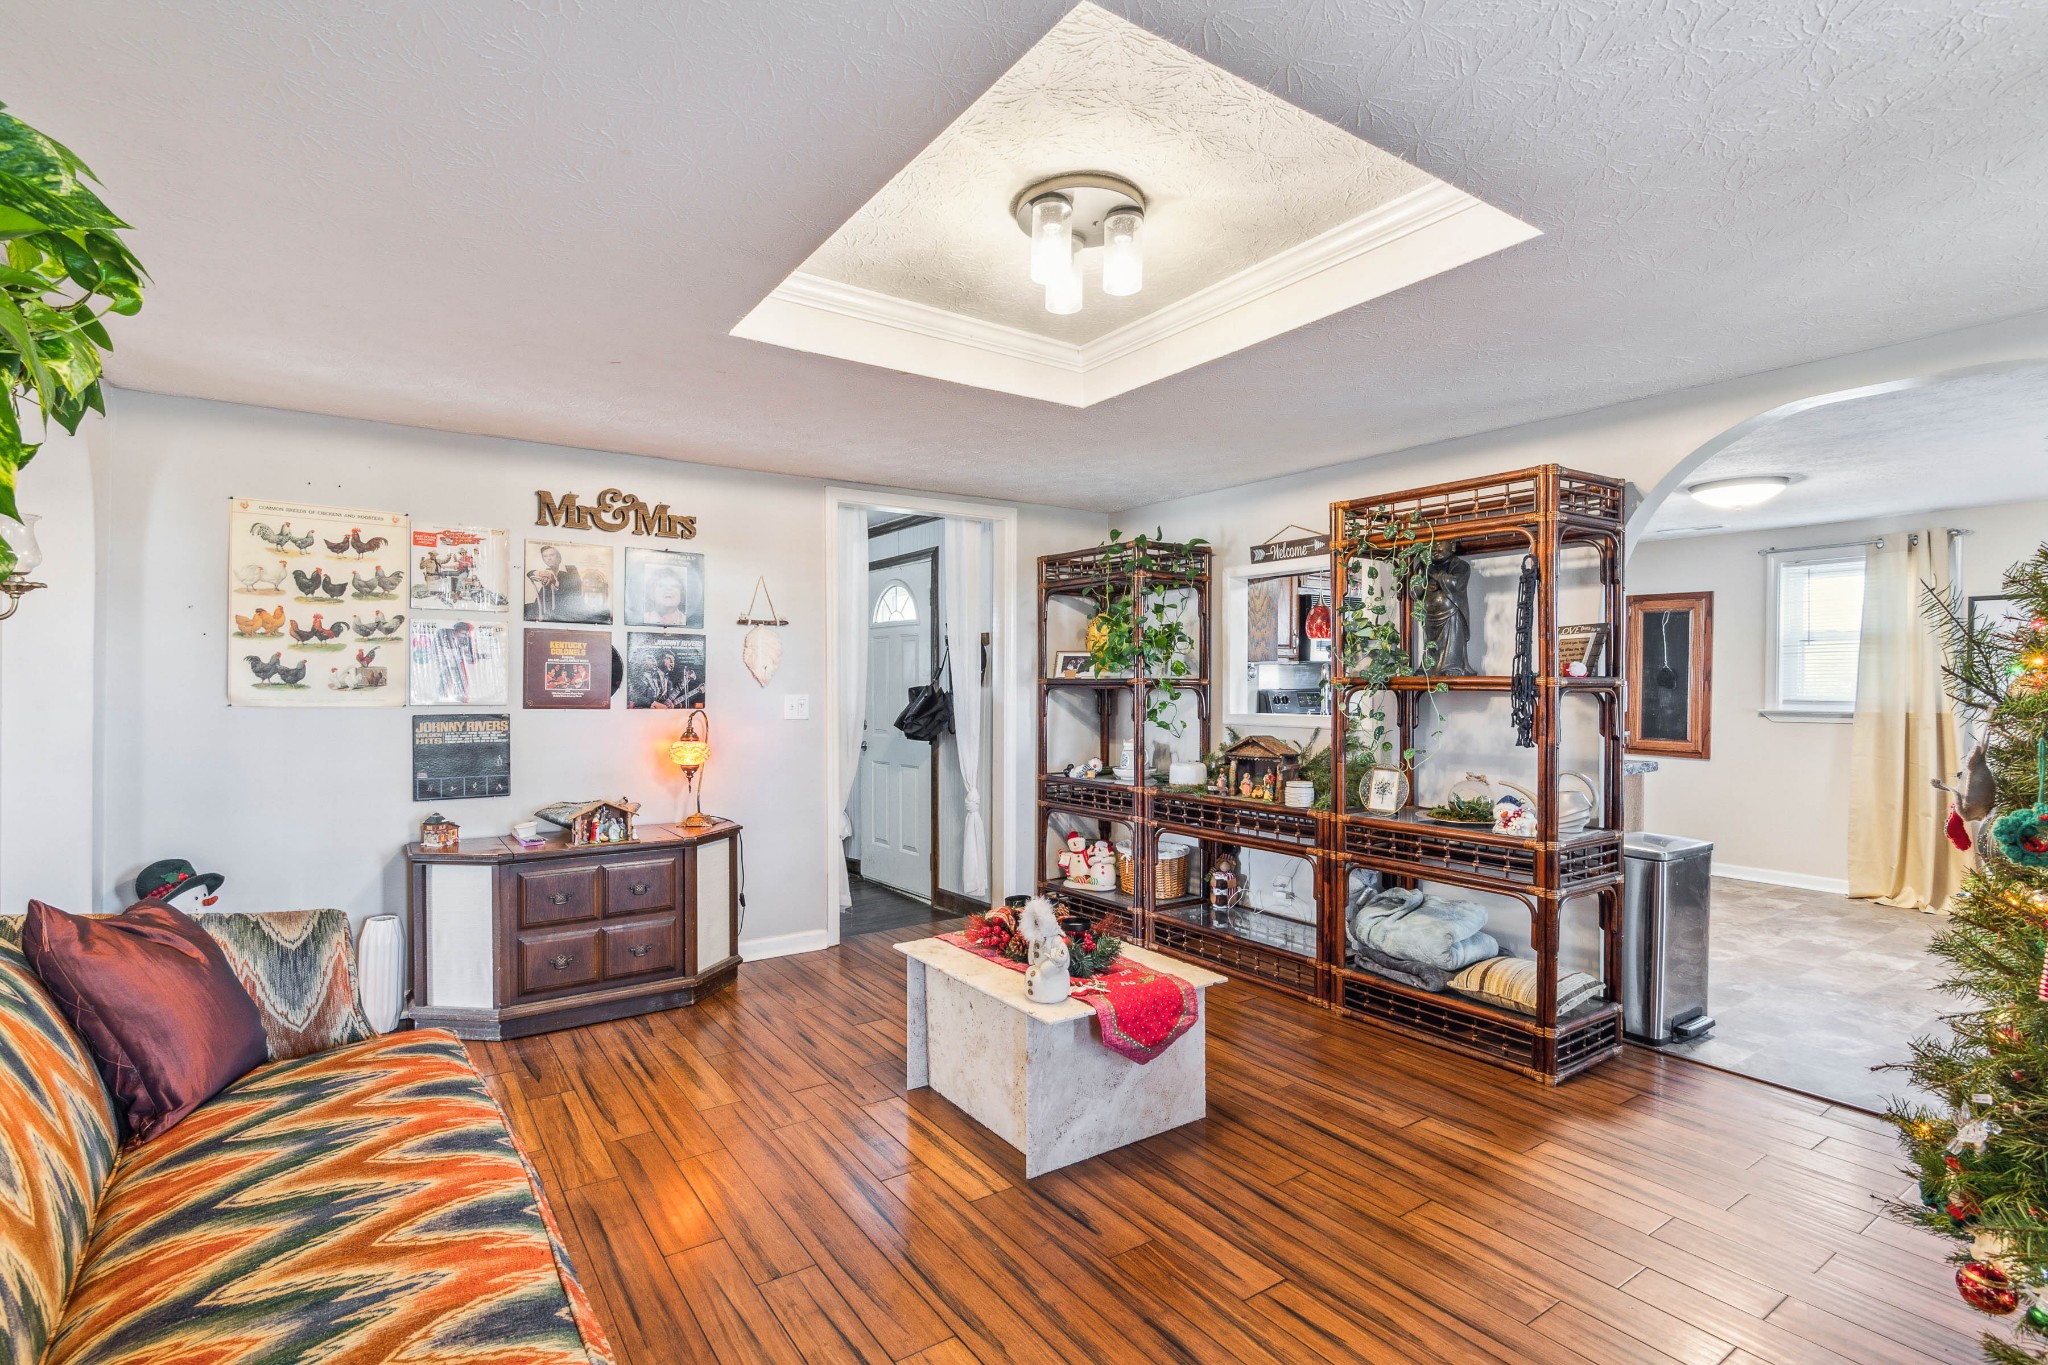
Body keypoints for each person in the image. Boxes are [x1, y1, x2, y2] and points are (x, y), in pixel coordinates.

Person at [525, 544, 585, 621]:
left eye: (552, 555)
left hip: (568, 610)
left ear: (558, 557)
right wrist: (539, 573)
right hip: (546, 608)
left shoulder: (571, 569)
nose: (549, 558)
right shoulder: (547, 571)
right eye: (545, 556)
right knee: (521, 609)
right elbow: (529, 573)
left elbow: (573, 589)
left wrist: (553, 580)